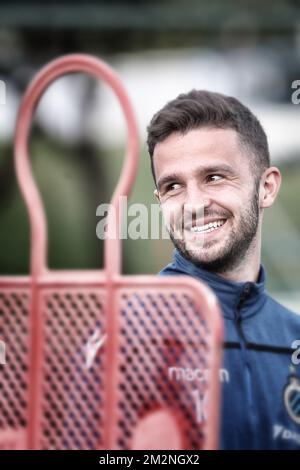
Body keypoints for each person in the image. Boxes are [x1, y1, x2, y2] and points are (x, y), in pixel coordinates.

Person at [146, 90, 300, 450]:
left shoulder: (293, 338)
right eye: (173, 186)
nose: (194, 204)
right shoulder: (129, 329)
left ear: (266, 187)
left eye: (214, 177)